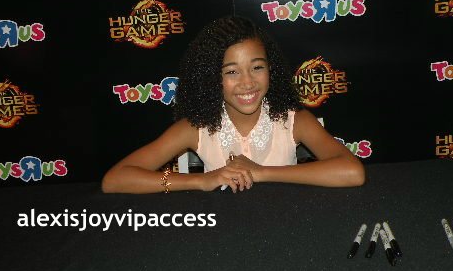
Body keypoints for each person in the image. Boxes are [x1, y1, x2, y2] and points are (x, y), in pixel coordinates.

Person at [102, 15, 365, 194]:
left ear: (271, 69)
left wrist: (261, 173)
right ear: (210, 77)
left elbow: (352, 172)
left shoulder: (294, 120)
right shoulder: (196, 127)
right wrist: (203, 180)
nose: (247, 82)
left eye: (257, 67)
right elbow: (116, 179)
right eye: (231, 72)